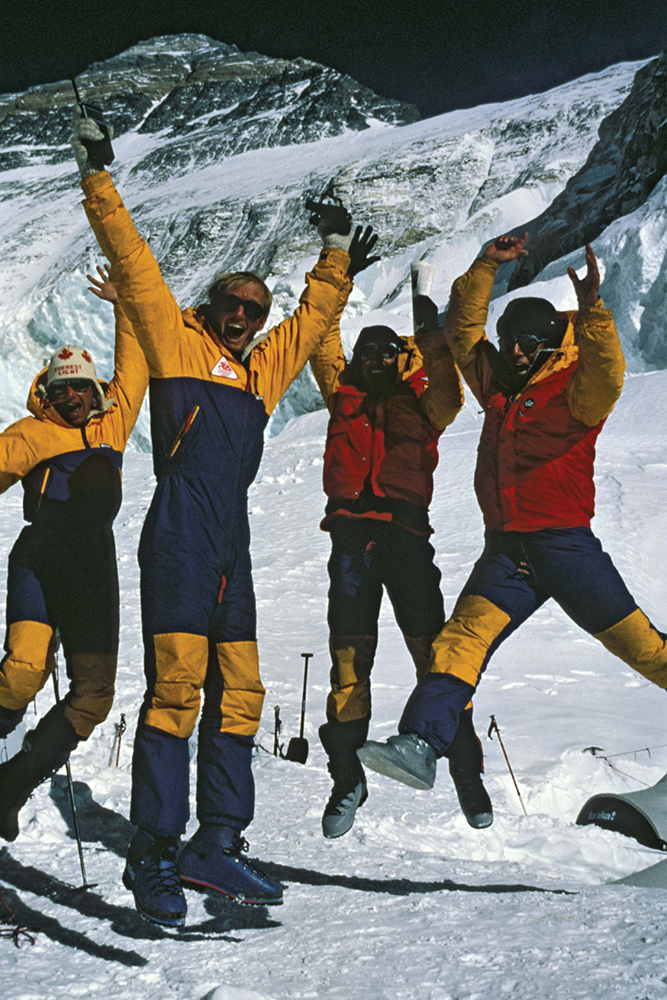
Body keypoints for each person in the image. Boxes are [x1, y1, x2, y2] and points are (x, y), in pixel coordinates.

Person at [71, 110, 377, 927]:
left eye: (254, 305)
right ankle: (153, 854)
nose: (245, 313)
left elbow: (310, 319)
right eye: (232, 303)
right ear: (209, 309)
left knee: (240, 695)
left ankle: (217, 843)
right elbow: (134, 266)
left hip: (227, 552)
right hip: (176, 541)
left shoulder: (260, 373)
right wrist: (99, 176)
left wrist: (337, 252)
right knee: (176, 694)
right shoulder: (178, 346)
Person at [357, 235, 667, 791]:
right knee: (458, 643)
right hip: (506, 552)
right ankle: (420, 745)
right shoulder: (499, 391)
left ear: (548, 345)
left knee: (643, 649)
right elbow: (461, 335)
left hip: (566, 549)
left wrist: (594, 312)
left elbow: (609, 375)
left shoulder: (575, 394)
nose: (515, 352)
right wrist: (483, 268)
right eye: (509, 342)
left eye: (526, 344)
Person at [310, 308, 493, 839]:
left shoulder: (425, 399)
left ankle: (465, 771)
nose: (373, 364)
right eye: (366, 356)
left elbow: (453, 395)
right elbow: (324, 345)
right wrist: (337, 266)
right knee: (347, 661)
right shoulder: (342, 394)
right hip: (351, 542)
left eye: (384, 355)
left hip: (407, 540)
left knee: (435, 659)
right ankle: (346, 777)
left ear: (398, 358)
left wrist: (431, 331)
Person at [0, 266, 148, 841]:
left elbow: (133, 371)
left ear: (94, 391)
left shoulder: (112, 425)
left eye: (81, 387)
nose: (71, 396)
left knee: (94, 697)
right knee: (22, 673)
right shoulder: (30, 435)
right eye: (60, 388)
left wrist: (121, 306)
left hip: (93, 571)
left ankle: (12, 783)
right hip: (42, 558)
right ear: (47, 393)